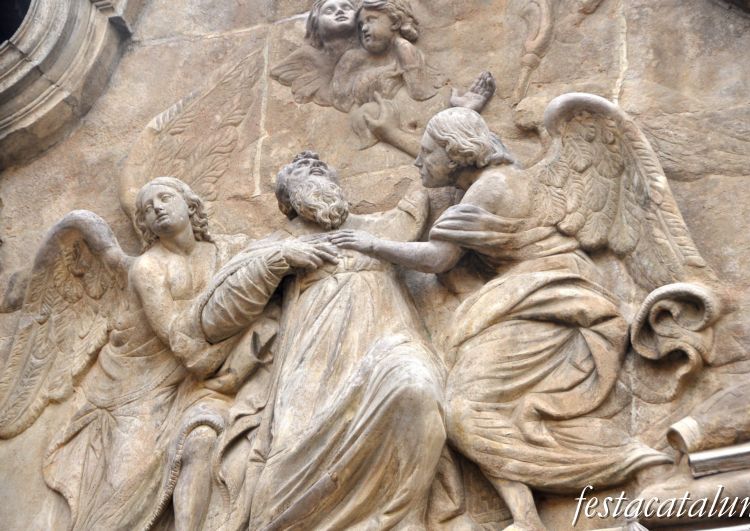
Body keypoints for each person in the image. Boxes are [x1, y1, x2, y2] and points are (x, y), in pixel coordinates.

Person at [330, 108, 671, 530]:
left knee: (465, 410)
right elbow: (443, 164)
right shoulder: (500, 176)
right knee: (470, 411)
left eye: (427, 152)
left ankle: (624, 463)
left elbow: (438, 258)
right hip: (529, 294)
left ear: (456, 154)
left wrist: (371, 244)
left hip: (544, 298)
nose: (417, 161)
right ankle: (526, 516)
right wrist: (450, 112)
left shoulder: (489, 189)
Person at [41, 177, 335, 531]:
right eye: (147, 209)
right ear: (144, 225)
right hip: (144, 388)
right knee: (122, 498)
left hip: (206, 386)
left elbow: (269, 289)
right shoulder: (148, 269)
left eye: (165, 198)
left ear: (191, 205)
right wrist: (237, 356)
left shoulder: (230, 250)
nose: (157, 208)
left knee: (201, 440)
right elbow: (185, 347)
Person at [197, 152, 447, 530]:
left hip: (390, 344)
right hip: (314, 364)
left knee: (416, 387)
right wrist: (280, 259)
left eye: (321, 167)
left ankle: (400, 517)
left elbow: (438, 187)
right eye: (301, 169)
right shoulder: (275, 245)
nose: (314, 167)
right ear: (286, 200)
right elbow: (213, 319)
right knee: (280, 485)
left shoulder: (381, 228)